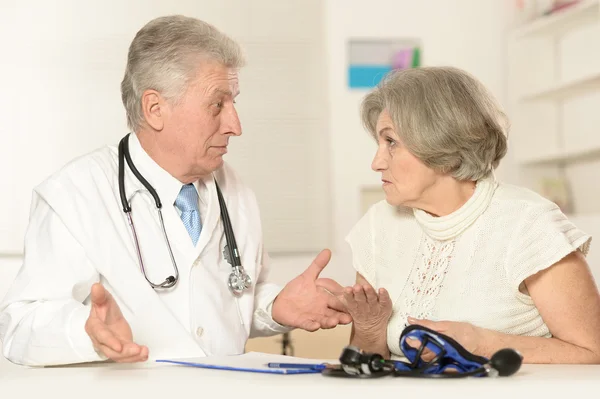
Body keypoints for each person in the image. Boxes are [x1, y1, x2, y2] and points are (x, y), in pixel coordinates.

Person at [0, 15, 350, 367]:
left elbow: (232, 298)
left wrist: (275, 307)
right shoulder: (74, 195)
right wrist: (85, 332)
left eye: (234, 102)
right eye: (217, 104)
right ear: (155, 109)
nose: (235, 125)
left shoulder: (236, 193)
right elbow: (19, 326)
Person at [340, 66, 600, 364]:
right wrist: (370, 328)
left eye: (391, 142)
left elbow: (592, 353)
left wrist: (482, 344)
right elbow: (365, 366)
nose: (376, 162)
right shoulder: (378, 225)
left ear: (440, 141)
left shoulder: (529, 225)